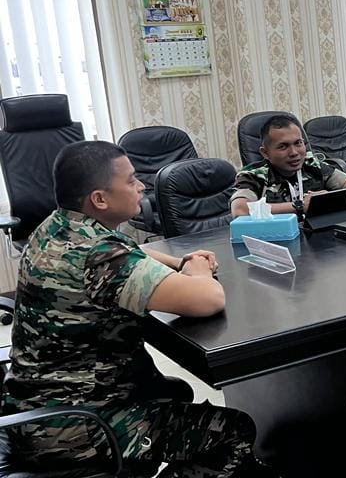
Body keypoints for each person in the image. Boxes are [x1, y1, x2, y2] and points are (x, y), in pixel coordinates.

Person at [2, 141, 276, 476]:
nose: (141, 186)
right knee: (232, 430)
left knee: (174, 391)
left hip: (36, 406)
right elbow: (208, 299)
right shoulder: (99, 255)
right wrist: (199, 270)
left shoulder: (60, 227)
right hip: (77, 429)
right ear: (99, 199)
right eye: (131, 180)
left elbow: (131, 251)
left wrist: (180, 262)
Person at [230, 114, 346, 219]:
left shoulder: (312, 164)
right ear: (265, 153)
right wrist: (300, 206)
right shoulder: (253, 175)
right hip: (279, 238)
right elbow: (240, 210)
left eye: (298, 143)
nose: (294, 152)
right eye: (283, 146)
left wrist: (326, 200)